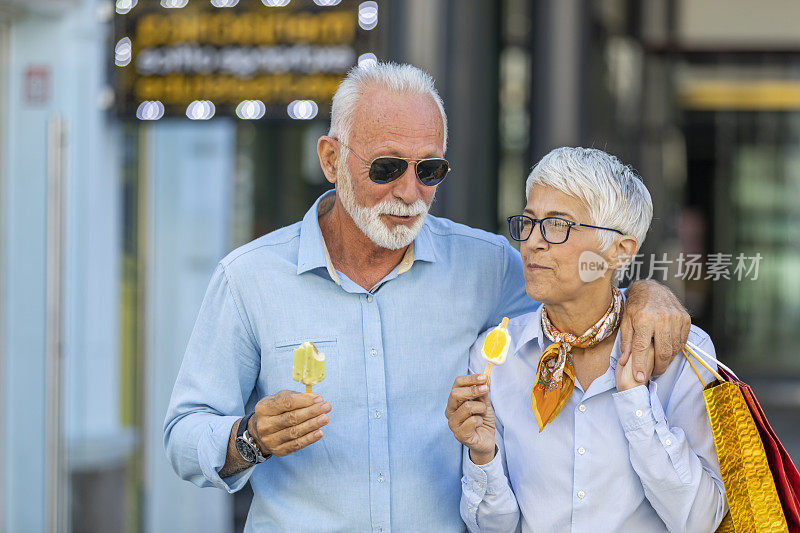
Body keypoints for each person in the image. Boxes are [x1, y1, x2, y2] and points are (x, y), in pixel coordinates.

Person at [164, 63, 691, 532]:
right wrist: (249, 438)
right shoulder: (250, 277)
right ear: (330, 158)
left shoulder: (488, 265)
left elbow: (581, 290)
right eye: (387, 168)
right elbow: (184, 435)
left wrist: (646, 292)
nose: (410, 192)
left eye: (429, 170)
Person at [446, 147, 727, 532]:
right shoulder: (496, 357)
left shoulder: (681, 353)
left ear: (620, 250)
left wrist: (636, 405)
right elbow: (494, 528)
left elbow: (701, 520)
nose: (532, 242)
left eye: (558, 225)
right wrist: (483, 456)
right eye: (528, 222)